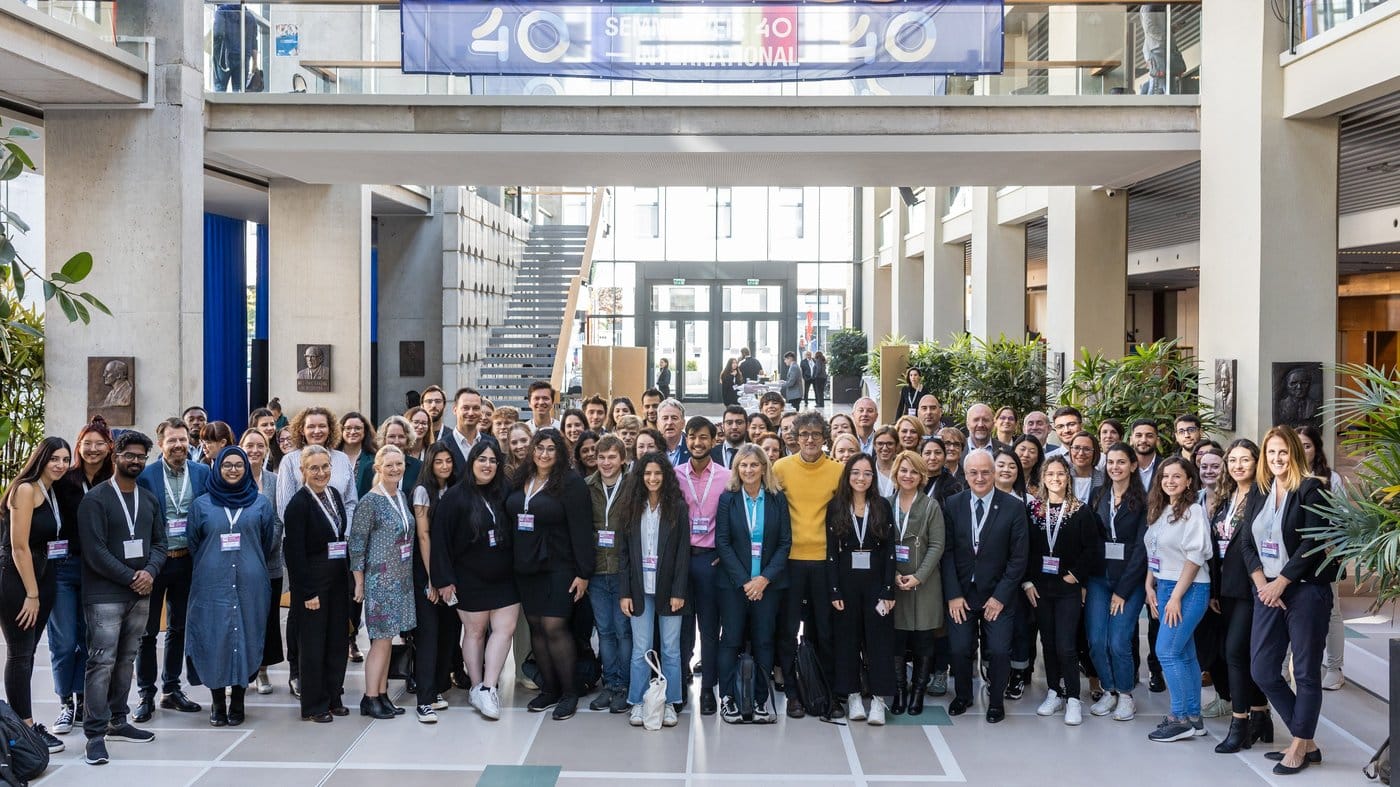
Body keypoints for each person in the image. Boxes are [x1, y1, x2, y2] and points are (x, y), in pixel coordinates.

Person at [1243, 426, 1339, 774]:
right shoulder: (1261, 490)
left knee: (1306, 671)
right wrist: (1262, 584)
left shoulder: (1313, 489)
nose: (1277, 458)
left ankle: (1298, 745)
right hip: (1266, 590)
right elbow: (1246, 543)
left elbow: (1312, 545)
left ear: (1295, 453)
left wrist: (1281, 583)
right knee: (1263, 670)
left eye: (1283, 452)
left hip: (1305, 591)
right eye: (1271, 452)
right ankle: (1308, 740)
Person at [78, 430, 163, 764]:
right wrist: (132, 577)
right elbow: (94, 551)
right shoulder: (95, 499)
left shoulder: (149, 498)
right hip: (105, 594)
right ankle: (94, 735)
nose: (136, 461)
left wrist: (151, 572)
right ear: (116, 456)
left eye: (142, 456)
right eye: (130, 455)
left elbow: (160, 544)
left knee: (127, 658)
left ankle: (118, 720)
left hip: (141, 592)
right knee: (101, 662)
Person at [185, 447, 277, 728]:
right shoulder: (201, 505)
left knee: (247, 637)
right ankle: (217, 701)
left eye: (239, 465)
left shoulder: (260, 504)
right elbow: (193, 542)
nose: (234, 469)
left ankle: (238, 700)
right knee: (214, 638)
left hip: (251, 585)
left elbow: (267, 540)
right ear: (217, 468)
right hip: (211, 584)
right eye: (227, 465)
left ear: (247, 469)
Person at [432, 441, 520, 722]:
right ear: (471, 462)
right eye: (482, 459)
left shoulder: (506, 491)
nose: (487, 465)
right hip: (468, 578)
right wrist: (443, 579)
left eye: (493, 461)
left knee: (504, 630)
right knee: (475, 633)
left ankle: (489, 686)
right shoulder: (455, 497)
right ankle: (475, 686)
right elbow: (440, 542)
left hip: (506, 577)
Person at [508, 430, 593, 720]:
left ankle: (570, 692)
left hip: (561, 566)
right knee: (537, 628)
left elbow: (582, 531)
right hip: (526, 566)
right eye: (539, 448)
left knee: (555, 627)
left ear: (560, 452)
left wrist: (583, 574)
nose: (544, 454)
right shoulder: (521, 478)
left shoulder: (571, 483)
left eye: (550, 449)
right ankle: (550, 688)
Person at [940, 450, 1028, 723]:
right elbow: (947, 552)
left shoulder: (1013, 506)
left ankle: (996, 701)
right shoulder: (952, 504)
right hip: (962, 595)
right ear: (965, 475)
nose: (980, 477)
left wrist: (1000, 597)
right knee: (959, 648)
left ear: (994, 473)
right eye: (973, 472)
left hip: (997, 594)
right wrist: (953, 595)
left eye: (985, 472)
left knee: (1000, 650)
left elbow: (1019, 557)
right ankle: (963, 695)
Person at [133, 418, 211, 722]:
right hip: (155, 562)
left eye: (182, 440)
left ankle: (171, 688)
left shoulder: (203, 473)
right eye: (172, 440)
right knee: (147, 631)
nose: (179, 445)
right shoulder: (147, 476)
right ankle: (145, 694)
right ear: (161, 443)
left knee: (179, 628)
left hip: (188, 560)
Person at [772, 411, 844, 719]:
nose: (810, 439)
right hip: (789, 562)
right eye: (804, 435)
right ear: (795, 438)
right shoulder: (781, 468)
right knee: (787, 631)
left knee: (825, 632)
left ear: (825, 437)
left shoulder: (838, 470)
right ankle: (792, 693)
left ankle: (827, 693)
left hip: (825, 563)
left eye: (816, 434)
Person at [2, 437, 72, 753]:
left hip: (44, 577)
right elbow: (18, 547)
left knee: (28, 653)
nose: (60, 464)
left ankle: (22, 724)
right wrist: (31, 592)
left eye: (64, 459)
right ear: (41, 458)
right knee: (20, 652)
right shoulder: (26, 489)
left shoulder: (50, 490)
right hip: (18, 580)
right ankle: (25, 729)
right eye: (54, 458)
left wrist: (41, 588)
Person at [715, 444, 789, 724]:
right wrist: (746, 582)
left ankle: (760, 701)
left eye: (754, 465)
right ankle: (728, 699)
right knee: (731, 640)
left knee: (764, 641)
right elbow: (722, 542)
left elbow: (784, 543)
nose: (748, 470)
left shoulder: (776, 498)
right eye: (743, 465)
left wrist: (763, 579)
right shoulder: (728, 499)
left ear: (764, 467)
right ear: (736, 469)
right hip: (734, 585)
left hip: (768, 585)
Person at [1024, 456, 1101, 726]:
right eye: (1050, 474)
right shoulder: (1034, 510)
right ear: (1043, 478)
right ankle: (1054, 692)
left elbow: (1092, 549)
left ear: (1068, 478)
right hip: (1041, 588)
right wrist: (1028, 581)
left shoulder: (1080, 511)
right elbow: (1026, 549)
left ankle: (1073, 698)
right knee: (1048, 643)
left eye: (1060, 474)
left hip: (1067, 588)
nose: (1055, 478)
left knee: (1067, 645)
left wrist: (1076, 576)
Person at [50, 416, 113, 736]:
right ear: (79, 447)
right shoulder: (64, 480)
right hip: (64, 568)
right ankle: (65, 703)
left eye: (99, 443)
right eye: (86, 443)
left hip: (100, 571)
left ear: (108, 447)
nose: (92, 449)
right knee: (63, 641)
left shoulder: (114, 480)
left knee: (92, 640)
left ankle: (84, 698)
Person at [1208, 438, 1273, 754]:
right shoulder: (1226, 497)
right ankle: (1261, 715)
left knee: (1235, 652)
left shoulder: (1264, 497)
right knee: (1234, 652)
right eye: (1232, 460)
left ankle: (1240, 724)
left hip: (1252, 587)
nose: (1237, 465)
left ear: (1256, 462)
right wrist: (1215, 589)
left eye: (1244, 459)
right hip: (1227, 588)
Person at [617, 453, 690, 729]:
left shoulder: (677, 508)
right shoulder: (631, 507)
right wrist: (625, 592)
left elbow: (683, 553)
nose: (652, 478)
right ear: (640, 476)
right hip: (638, 590)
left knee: (671, 649)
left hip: (669, 590)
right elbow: (623, 553)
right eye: (647, 473)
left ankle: (669, 702)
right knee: (640, 648)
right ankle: (637, 702)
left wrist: (679, 591)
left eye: (658, 473)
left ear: (666, 476)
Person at [1143, 457, 1211, 742]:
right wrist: (1149, 583)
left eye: (1176, 476)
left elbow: (1195, 557)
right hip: (1164, 584)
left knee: (1167, 652)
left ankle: (1179, 718)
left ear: (1188, 481)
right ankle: (1194, 717)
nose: (1169, 481)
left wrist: (1176, 597)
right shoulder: (1162, 509)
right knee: (1184, 653)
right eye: (1165, 476)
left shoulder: (1193, 511)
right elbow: (1154, 549)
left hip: (1189, 587)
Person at [282, 446, 351, 723]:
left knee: (337, 640)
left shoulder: (334, 495)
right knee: (313, 644)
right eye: (314, 468)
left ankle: (334, 696)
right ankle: (314, 704)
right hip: (313, 585)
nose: (321, 472)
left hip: (336, 580)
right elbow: (294, 553)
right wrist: (306, 591)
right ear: (303, 471)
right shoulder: (298, 504)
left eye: (325, 467)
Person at [826, 453, 896, 725]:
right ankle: (853, 695)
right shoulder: (836, 507)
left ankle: (879, 700)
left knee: (879, 641)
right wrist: (834, 590)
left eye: (867, 473)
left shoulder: (881, 506)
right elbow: (831, 553)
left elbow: (890, 551)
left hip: (876, 584)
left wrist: (889, 590)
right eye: (856, 472)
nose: (861, 478)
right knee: (847, 640)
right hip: (846, 584)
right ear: (847, 475)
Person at [349, 446, 417, 720]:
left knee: (389, 641)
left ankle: (383, 692)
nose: (395, 469)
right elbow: (356, 545)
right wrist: (359, 583)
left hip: (400, 580)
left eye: (399, 464)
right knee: (379, 641)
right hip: (380, 581)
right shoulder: (370, 501)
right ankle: (370, 696)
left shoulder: (400, 495)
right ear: (378, 468)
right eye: (389, 465)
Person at [1084, 443, 1149, 722]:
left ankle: (1125, 694)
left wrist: (1123, 591)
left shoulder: (1144, 502)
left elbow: (1141, 548)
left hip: (1128, 581)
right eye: (1111, 462)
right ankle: (1108, 690)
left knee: (1119, 641)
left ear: (1133, 465)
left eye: (1121, 462)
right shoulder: (1099, 496)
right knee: (1097, 640)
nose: (1115, 467)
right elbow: (1089, 538)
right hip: (1099, 577)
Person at [676, 416, 731, 714]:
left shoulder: (726, 476)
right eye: (693, 437)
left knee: (710, 629)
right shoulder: (674, 475)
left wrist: (728, 552)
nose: (697, 443)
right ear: (687, 440)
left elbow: (736, 520)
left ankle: (708, 688)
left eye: (704, 437)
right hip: (683, 563)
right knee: (682, 627)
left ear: (714, 440)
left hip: (712, 562)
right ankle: (680, 679)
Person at [887, 451, 945, 716]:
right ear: (896, 473)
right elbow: (880, 544)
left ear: (921, 476)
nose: (907, 476)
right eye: (903, 470)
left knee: (923, 640)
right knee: (896, 640)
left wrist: (918, 576)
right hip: (895, 582)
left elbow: (937, 545)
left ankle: (917, 691)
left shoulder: (931, 506)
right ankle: (899, 690)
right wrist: (895, 574)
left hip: (924, 585)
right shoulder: (885, 504)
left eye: (913, 471)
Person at [407, 443, 458, 722]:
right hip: (426, 571)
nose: (444, 466)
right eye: (438, 461)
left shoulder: (452, 489)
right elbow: (424, 537)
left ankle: (437, 689)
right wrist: (431, 580)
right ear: (429, 463)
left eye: (448, 461)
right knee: (429, 634)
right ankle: (423, 699)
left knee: (447, 632)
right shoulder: (422, 491)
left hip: (449, 571)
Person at [1296, 423, 1346, 691]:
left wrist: (1332, 545)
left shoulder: (1331, 478)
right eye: (1298, 445)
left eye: (1307, 445)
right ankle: (1283, 666)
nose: (1302, 450)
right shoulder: (1282, 475)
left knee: (1332, 611)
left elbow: (1344, 517)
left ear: (1316, 449)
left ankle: (1335, 667)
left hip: (1324, 553)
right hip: (1291, 555)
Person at [583, 436, 631, 714]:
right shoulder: (587, 486)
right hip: (598, 570)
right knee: (605, 631)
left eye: (612, 457)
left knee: (624, 631)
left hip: (624, 570)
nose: (606, 463)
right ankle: (610, 684)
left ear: (622, 459)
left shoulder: (633, 485)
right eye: (601, 458)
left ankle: (624, 685)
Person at [239, 429, 283, 696]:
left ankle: (263, 670)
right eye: (249, 445)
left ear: (267, 449)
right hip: (239, 564)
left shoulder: (275, 481)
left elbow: (278, 520)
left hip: (269, 563)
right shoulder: (231, 477)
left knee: (266, 618)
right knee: (241, 619)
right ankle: (242, 671)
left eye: (260, 445)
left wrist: (262, 550)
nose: (254, 450)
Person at [1128, 418, 1165, 692]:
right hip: (1129, 554)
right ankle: (1129, 669)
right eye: (1139, 435)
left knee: (1155, 615)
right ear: (1132, 438)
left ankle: (1156, 670)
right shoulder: (1122, 466)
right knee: (1129, 616)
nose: (1143, 440)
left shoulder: (1166, 468)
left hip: (1159, 552)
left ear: (1156, 439)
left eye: (1149, 435)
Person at [211, 3, 258, 92]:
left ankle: (220, 106)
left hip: (224, 57)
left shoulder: (222, 11)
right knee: (239, 91)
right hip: (243, 59)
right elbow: (254, 43)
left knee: (220, 88)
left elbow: (217, 34)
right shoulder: (250, 17)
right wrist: (254, 63)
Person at [338, 412, 376, 496]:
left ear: (365, 431)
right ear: (341, 431)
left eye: (358, 428)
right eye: (348, 428)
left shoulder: (374, 459)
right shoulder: (332, 457)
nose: (352, 432)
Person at [920, 437, 964, 504]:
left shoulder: (953, 486)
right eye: (927, 453)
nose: (932, 458)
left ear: (945, 457)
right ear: (921, 456)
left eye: (937, 453)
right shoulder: (914, 481)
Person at [1066, 431, 1103, 503]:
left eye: (1087, 449)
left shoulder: (1104, 479)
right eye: (1076, 448)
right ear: (1070, 450)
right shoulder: (1063, 477)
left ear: (1095, 452)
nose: (1081, 453)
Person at [712, 405, 749, 470]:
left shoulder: (755, 453)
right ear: (723, 426)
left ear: (747, 426)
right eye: (729, 423)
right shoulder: (710, 454)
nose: (734, 427)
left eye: (739, 423)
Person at [656, 399, 688, 466]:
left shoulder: (692, 447)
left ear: (683, 423)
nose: (669, 422)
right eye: (665, 418)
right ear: (658, 424)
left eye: (674, 418)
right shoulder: (652, 448)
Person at [872, 427, 899, 497]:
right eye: (880, 443)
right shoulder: (868, 470)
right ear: (874, 446)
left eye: (890, 444)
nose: (884, 448)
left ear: (897, 446)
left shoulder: (901, 471)